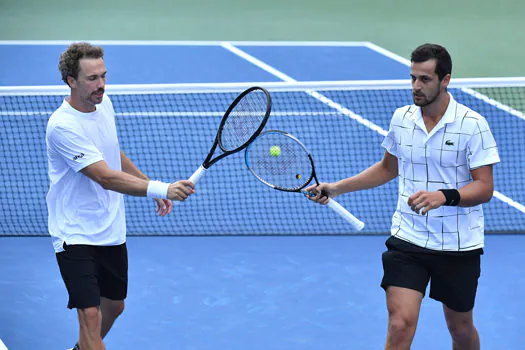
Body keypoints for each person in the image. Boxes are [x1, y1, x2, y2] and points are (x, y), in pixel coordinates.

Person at [307, 43, 500, 350]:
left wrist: (443, 196)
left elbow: (484, 187)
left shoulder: (473, 125)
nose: (416, 86)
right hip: (408, 238)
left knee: (460, 329)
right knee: (399, 324)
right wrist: (336, 187)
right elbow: (387, 169)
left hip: (457, 243)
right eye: (412, 78)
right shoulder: (402, 118)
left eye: (424, 79)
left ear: (445, 79)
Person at [46, 42, 195, 350]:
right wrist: (161, 189)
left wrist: (147, 182)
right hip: (74, 233)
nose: (100, 84)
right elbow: (104, 176)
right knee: (89, 315)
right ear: (71, 80)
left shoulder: (105, 104)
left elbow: (111, 154)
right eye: (92, 78)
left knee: (114, 307)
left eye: (103, 76)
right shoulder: (62, 126)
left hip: (110, 229)